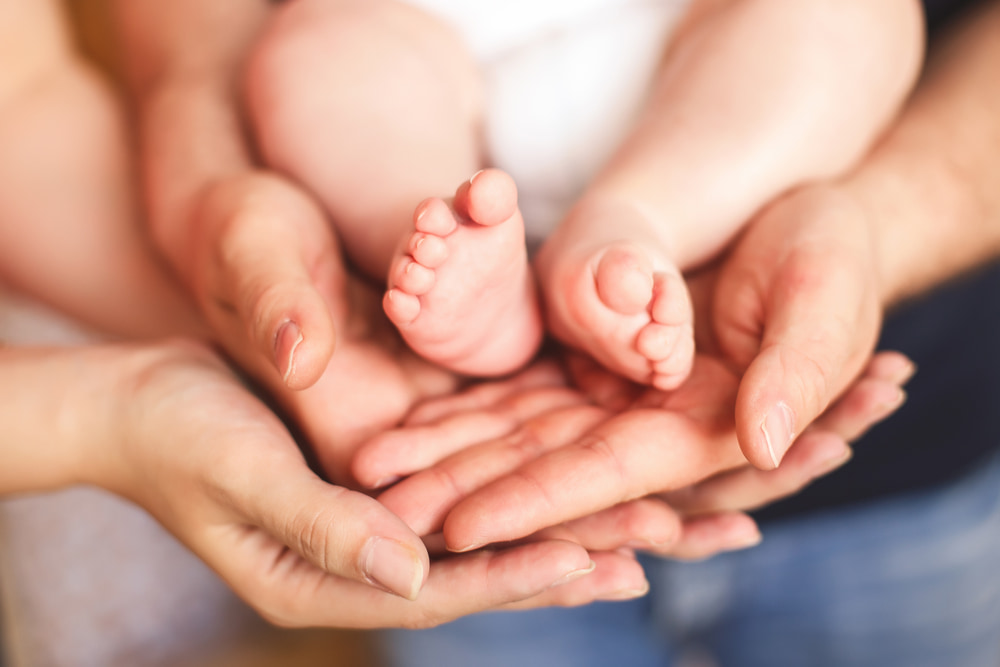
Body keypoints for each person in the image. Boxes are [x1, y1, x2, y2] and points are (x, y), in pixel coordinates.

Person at [353, 0, 1000, 664]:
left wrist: (880, 223)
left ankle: (637, 218)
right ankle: (463, 267)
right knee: (327, 47)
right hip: (438, 54)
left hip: (691, 82)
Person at [243, 0, 924, 394]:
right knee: (310, 48)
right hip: (431, 39)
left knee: (854, 15)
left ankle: (638, 217)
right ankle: (446, 240)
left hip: (688, 51)